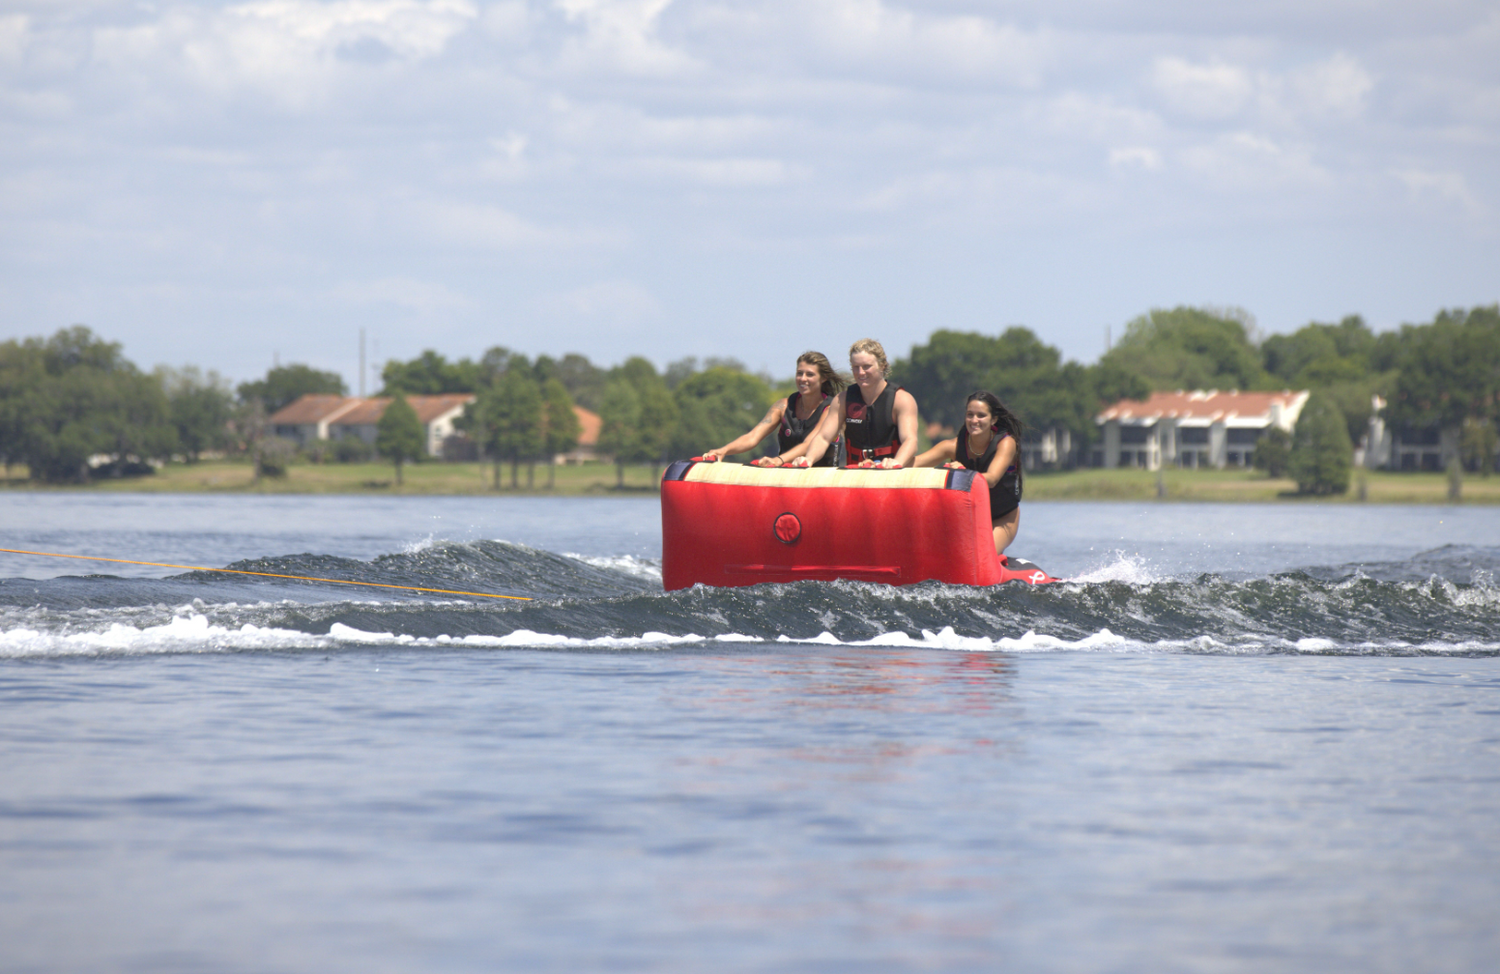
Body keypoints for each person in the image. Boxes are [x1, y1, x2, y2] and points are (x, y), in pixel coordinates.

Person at [765, 339, 919, 469]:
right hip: (855, 473)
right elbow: (823, 438)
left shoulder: (902, 400)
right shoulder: (843, 400)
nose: (860, 373)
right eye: (856, 367)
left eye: (867, 367)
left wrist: (896, 463)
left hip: (890, 473)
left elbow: (910, 440)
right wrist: (809, 459)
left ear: (882, 365)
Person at [914, 391, 1023, 553]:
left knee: (981, 555)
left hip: (1002, 518)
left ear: (993, 419)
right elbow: (912, 464)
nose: (974, 421)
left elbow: (992, 479)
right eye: (970, 415)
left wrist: (962, 474)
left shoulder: (1006, 443)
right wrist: (884, 463)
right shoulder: (952, 446)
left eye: (981, 416)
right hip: (968, 519)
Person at [700, 352, 846, 466]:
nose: (803, 379)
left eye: (810, 374)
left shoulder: (830, 409)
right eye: (799, 373)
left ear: (823, 378)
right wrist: (724, 450)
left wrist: (778, 460)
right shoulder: (782, 406)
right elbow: (753, 437)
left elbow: (808, 444)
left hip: (820, 479)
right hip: (785, 477)